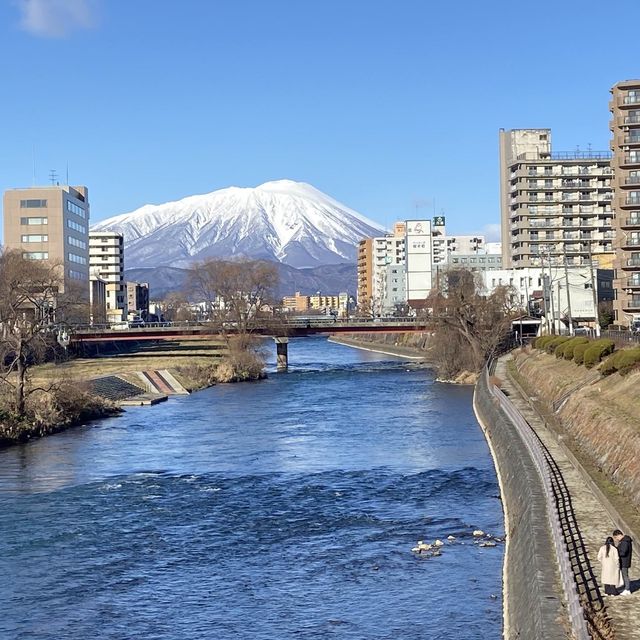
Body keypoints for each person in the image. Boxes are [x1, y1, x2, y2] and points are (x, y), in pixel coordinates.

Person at [613, 529, 633, 595]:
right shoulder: (625, 541)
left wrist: (617, 553)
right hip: (624, 561)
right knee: (624, 575)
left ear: (618, 535)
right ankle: (626, 587)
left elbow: (623, 552)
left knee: (625, 575)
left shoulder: (624, 542)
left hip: (624, 561)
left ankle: (627, 589)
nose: (616, 539)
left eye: (616, 538)